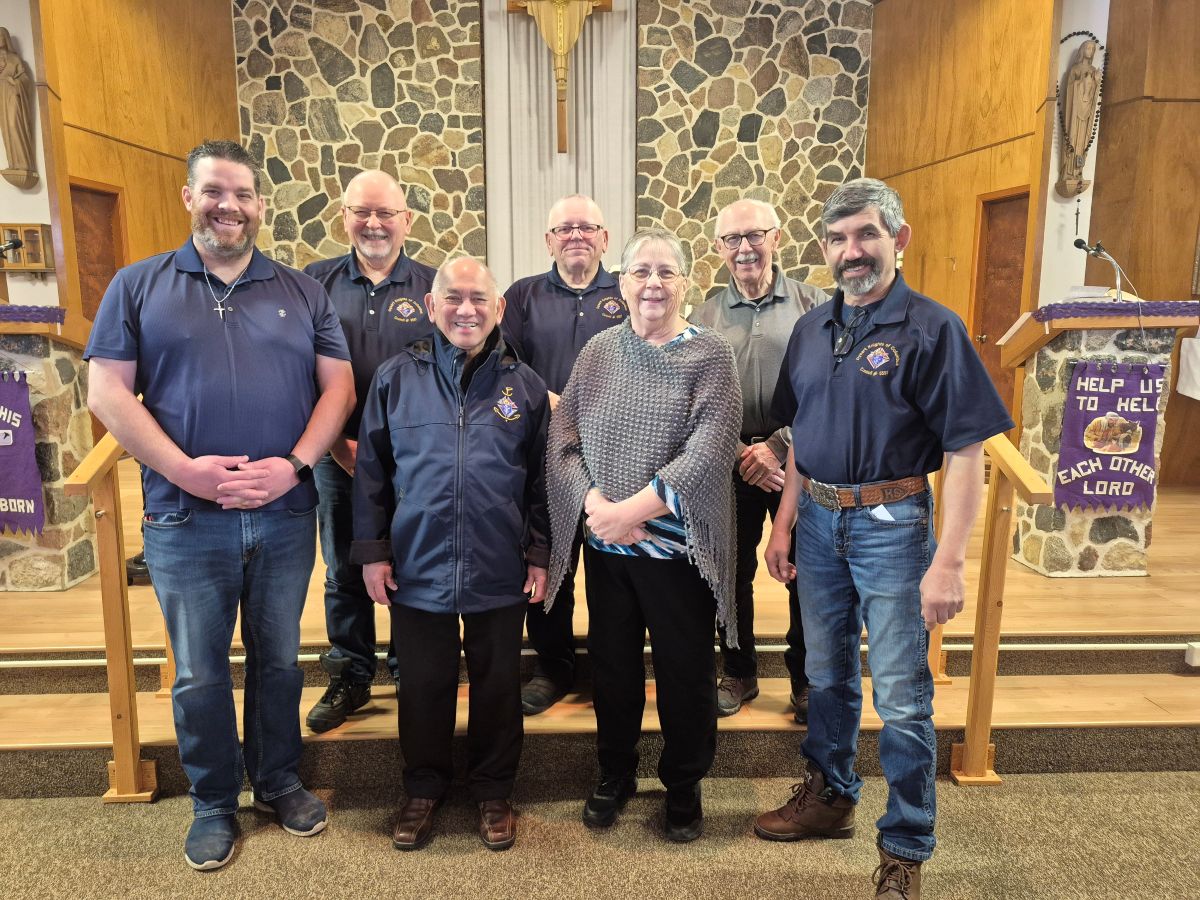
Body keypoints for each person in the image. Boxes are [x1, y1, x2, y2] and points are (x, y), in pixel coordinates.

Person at [85, 140, 355, 871]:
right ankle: (212, 801)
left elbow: (339, 389)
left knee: (281, 662)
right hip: (184, 516)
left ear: (260, 204)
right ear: (188, 198)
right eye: (213, 192)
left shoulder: (303, 291)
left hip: (283, 512)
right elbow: (106, 390)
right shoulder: (138, 285)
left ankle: (277, 781)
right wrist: (183, 469)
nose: (227, 206)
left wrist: (294, 465)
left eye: (241, 194)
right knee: (200, 669)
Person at [753, 179, 1014, 900]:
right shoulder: (811, 329)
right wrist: (784, 522)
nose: (851, 251)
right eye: (837, 239)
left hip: (895, 526)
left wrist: (950, 561)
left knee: (901, 694)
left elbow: (967, 451)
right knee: (826, 677)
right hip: (819, 524)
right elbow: (801, 434)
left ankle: (905, 846)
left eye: (865, 234)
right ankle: (831, 795)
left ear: (898, 239)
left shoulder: (934, 329)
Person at [545, 229, 740, 843]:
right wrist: (595, 503)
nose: (653, 283)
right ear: (622, 282)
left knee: (685, 670)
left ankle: (683, 784)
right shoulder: (600, 351)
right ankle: (615, 770)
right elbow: (564, 439)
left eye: (666, 271)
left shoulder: (710, 355)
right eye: (641, 272)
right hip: (608, 549)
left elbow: (710, 449)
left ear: (684, 282)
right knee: (613, 667)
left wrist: (635, 509)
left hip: (679, 554)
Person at [352, 257, 549, 852]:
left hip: (498, 561)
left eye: (479, 299)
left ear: (499, 308)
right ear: (432, 307)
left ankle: (493, 791)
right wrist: (373, 552)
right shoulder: (394, 378)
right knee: (424, 684)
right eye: (454, 299)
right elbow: (370, 475)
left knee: (497, 685)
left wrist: (539, 553)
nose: (467, 309)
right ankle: (423, 788)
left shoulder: (526, 386)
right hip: (418, 562)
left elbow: (542, 480)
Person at [302, 170, 435, 733]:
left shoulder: (433, 286)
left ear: (407, 219)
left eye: (386, 213)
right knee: (343, 568)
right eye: (362, 212)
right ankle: (351, 673)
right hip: (337, 455)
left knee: (410, 562)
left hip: (412, 459)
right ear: (344, 216)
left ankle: (412, 669)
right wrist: (336, 443)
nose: (374, 223)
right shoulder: (312, 283)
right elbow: (298, 372)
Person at [688, 198, 825, 718]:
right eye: (732, 240)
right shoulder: (703, 316)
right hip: (729, 460)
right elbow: (693, 398)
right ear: (719, 248)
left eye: (754, 236)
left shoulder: (815, 306)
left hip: (801, 458)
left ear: (777, 237)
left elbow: (826, 392)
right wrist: (741, 450)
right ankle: (739, 672)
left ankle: (806, 679)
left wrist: (778, 445)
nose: (744, 248)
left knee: (806, 571)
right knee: (730, 571)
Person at [502, 194, 627, 716]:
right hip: (547, 457)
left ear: (604, 237)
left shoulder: (627, 290)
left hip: (618, 457)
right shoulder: (522, 295)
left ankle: (610, 665)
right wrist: (550, 399)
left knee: (613, 568)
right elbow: (501, 362)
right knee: (550, 563)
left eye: (587, 227)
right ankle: (553, 665)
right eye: (564, 228)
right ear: (548, 240)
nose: (576, 235)